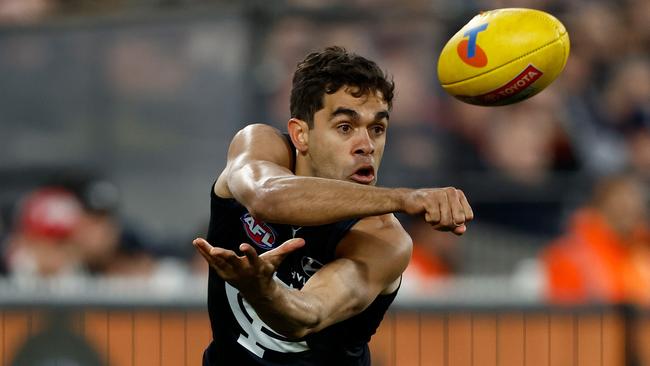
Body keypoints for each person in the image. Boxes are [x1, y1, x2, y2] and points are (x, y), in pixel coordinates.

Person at [193, 46, 473, 365]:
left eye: (377, 129)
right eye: (345, 127)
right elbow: (266, 197)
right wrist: (406, 198)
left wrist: (263, 290)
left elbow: (305, 316)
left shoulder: (384, 240)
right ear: (301, 135)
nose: (366, 146)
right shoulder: (260, 146)